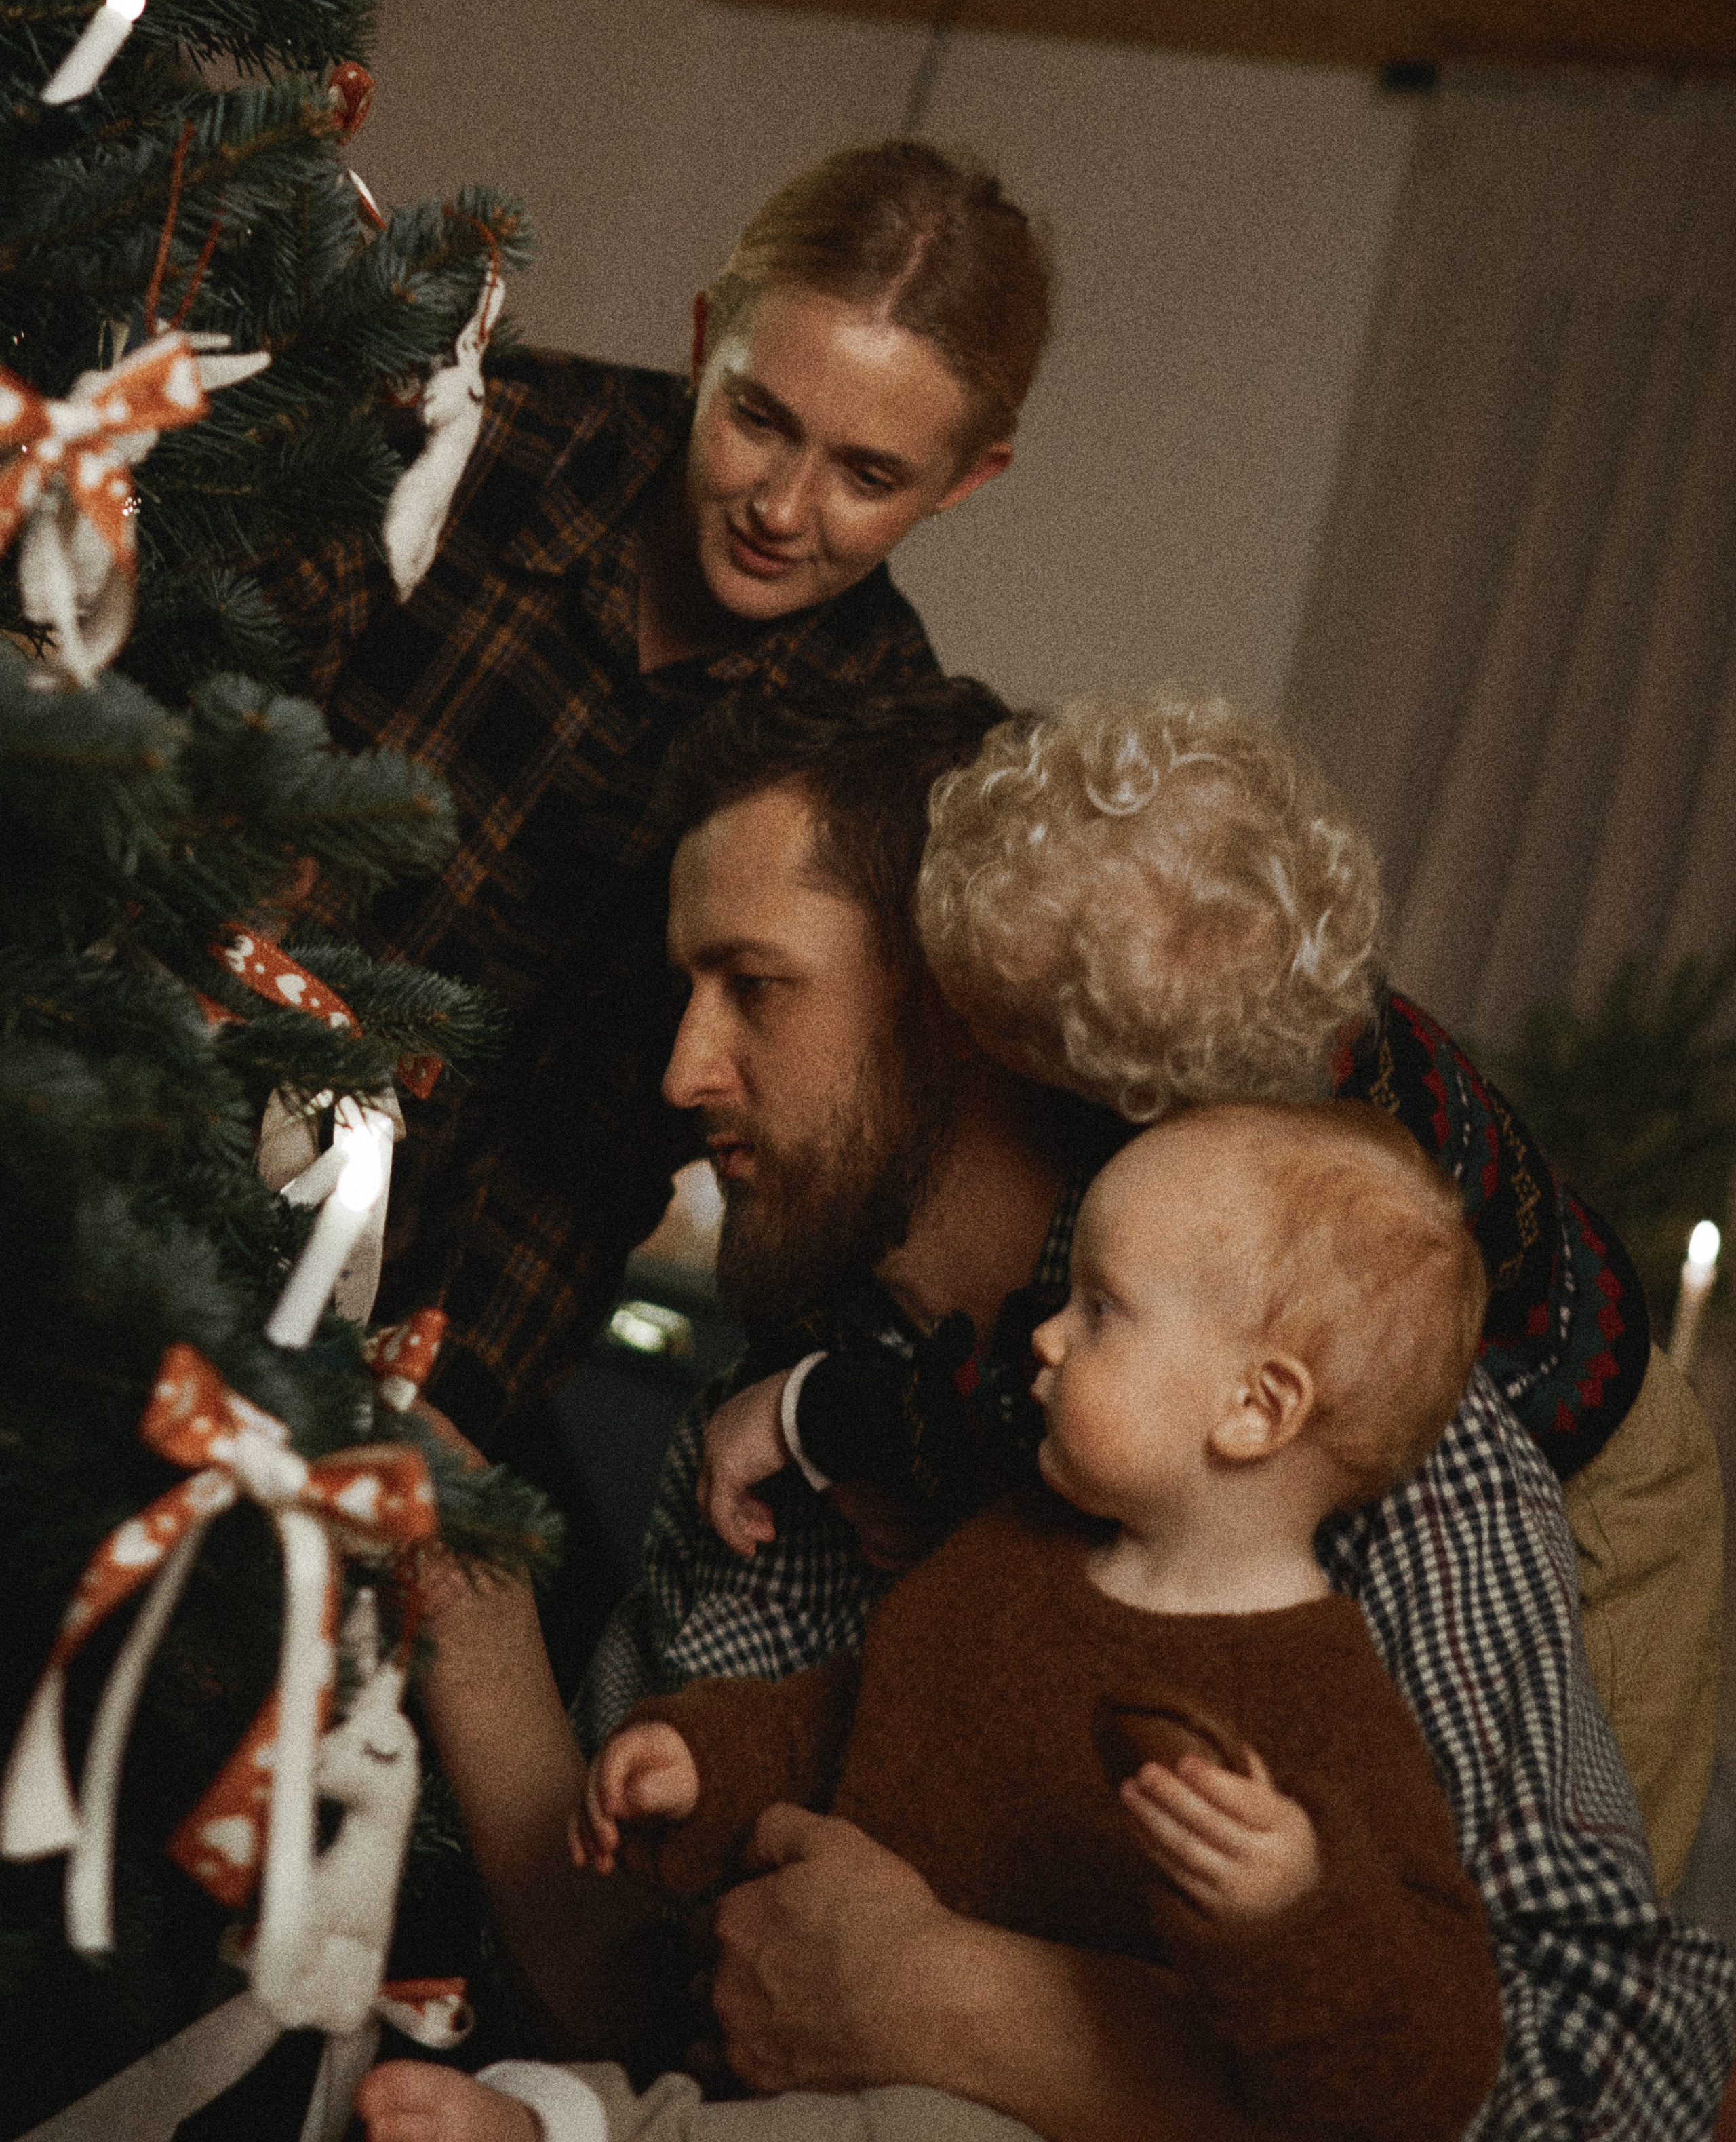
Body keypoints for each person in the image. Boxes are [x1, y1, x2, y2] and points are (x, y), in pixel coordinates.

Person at [417, 681, 1734, 2142]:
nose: (682, 1073)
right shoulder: (772, 1437)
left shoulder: (1315, 1440)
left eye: (754, 987)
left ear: (953, 1009)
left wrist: (961, 2008)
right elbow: (641, 1990)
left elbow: (1607, 2099)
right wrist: (454, 1598)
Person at [366, 1100, 1505, 2142]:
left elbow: (1435, 2055)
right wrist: (706, 1760)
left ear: (1255, 1408)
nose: (1045, 1339)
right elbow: (851, 1712)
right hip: (792, 2080)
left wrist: (1294, 1905)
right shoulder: (1010, 1554)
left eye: (1101, 1312)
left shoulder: (1326, 1696)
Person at [261, 140, 1048, 1454]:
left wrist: (448, 1406)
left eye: (867, 477)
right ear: (702, 340)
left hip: (408, 1339)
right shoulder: (470, 437)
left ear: (969, 479)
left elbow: (596, 1160)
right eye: (758, 419)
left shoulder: (874, 752)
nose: (783, 510)